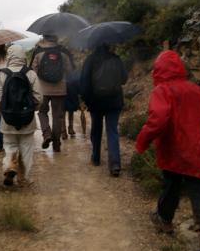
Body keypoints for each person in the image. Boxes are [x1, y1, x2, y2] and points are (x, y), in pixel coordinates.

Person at [135, 50, 200, 251]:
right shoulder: (194, 89)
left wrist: (143, 140)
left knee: (171, 185)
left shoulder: (162, 90)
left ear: (158, 71)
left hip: (172, 148)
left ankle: (164, 220)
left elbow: (159, 119)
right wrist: (199, 130)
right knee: (199, 187)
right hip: (195, 148)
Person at [0, 45, 42, 186]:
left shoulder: (1, 74)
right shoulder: (31, 74)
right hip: (27, 120)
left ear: (9, 56)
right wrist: (32, 109)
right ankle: (24, 178)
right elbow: (39, 97)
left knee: (9, 146)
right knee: (26, 148)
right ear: (23, 57)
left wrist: (3, 112)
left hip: (7, 120)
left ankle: (9, 165)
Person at [80, 44, 127, 176]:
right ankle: (115, 164)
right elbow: (124, 79)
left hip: (96, 102)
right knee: (112, 131)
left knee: (96, 129)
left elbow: (84, 82)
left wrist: (84, 99)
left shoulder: (90, 59)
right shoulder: (116, 59)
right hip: (114, 100)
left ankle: (95, 158)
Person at [30, 34, 73, 152]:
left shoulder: (38, 51)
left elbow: (32, 71)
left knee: (42, 112)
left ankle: (46, 134)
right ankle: (56, 145)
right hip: (60, 90)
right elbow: (70, 70)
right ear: (56, 38)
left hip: (42, 90)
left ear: (44, 37)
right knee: (57, 117)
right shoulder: (63, 52)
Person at [62, 70, 81, 139]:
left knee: (70, 110)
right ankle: (64, 131)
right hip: (64, 88)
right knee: (63, 111)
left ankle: (70, 128)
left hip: (71, 88)